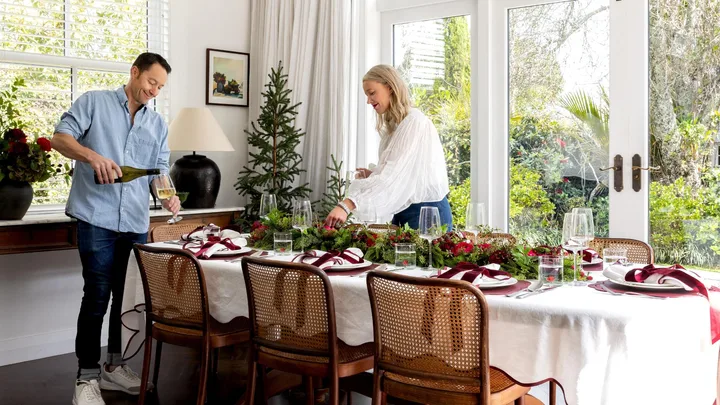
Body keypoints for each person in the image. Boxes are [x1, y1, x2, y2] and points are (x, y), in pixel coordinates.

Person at [51, 53, 179, 405]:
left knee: (127, 301)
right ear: (135, 72)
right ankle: (86, 379)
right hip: (97, 217)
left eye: (161, 86)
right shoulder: (94, 102)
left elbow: (158, 174)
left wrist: (168, 197)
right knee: (97, 296)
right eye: (151, 82)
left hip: (135, 222)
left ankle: (114, 367)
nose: (154, 90)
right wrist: (92, 156)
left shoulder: (157, 125)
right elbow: (59, 139)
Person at [324, 64, 452, 230]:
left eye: (372, 93)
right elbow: (404, 174)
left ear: (390, 87)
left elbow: (392, 176)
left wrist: (347, 205)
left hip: (427, 215)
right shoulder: (395, 126)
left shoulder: (414, 122)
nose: (368, 101)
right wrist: (375, 173)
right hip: (403, 211)